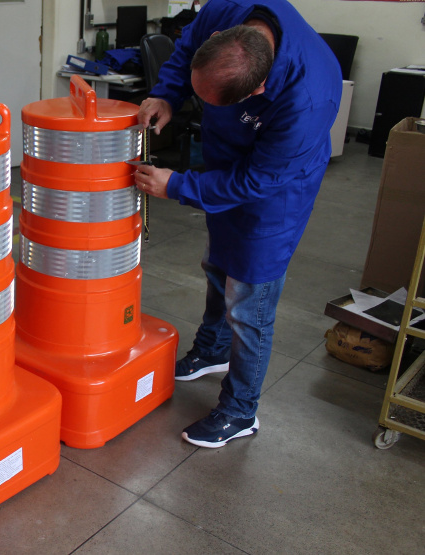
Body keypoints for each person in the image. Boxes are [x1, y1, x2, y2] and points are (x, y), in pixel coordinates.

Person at [134, 0, 341, 448]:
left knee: (249, 299)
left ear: (259, 88)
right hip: (225, 158)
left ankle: (240, 410)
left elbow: (258, 180)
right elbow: (185, 44)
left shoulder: (309, 97)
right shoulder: (226, 11)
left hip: (276, 187)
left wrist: (177, 187)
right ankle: (211, 348)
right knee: (218, 261)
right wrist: (169, 93)